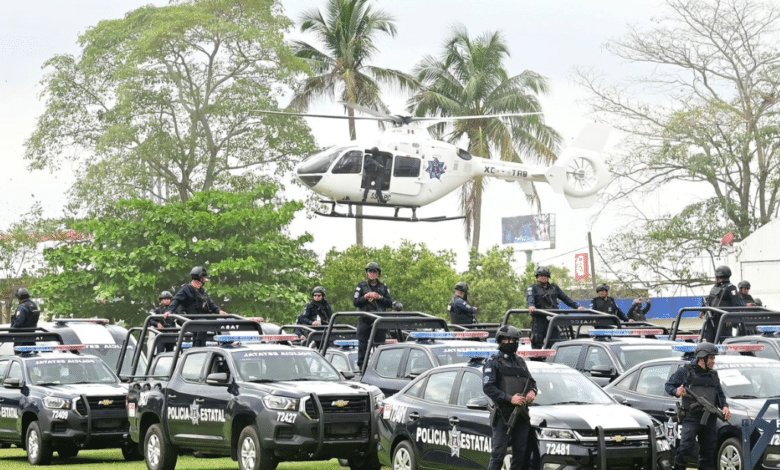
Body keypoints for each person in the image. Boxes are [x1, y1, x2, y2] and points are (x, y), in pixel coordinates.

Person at [665, 342, 731, 470]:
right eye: (711, 358)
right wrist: (676, 391)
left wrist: (725, 407)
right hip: (691, 417)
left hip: (709, 418)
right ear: (702, 358)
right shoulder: (686, 371)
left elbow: (720, 394)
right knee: (685, 448)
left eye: (714, 358)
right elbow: (669, 385)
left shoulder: (713, 374)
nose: (713, 361)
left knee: (708, 451)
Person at [483, 325, 538, 470]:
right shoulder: (493, 362)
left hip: (522, 415)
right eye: (508, 340)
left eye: (514, 340)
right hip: (503, 415)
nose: (511, 342)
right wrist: (509, 398)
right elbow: (488, 387)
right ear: (501, 340)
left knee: (521, 454)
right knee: (498, 454)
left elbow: (531, 382)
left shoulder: (520, 362)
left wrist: (532, 392)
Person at [165, 266, 228, 346]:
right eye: (204, 278)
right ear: (199, 278)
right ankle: (198, 348)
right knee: (202, 324)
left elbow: (210, 304)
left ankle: (227, 341)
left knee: (219, 321)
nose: (205, 280)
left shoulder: (202, 291)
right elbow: (176, 300)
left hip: (202, 318)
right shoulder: (186, 289)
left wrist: (219, 311)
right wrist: (169, 311)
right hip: (189, 319)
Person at [527, 266, 584, 349]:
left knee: (554, 341)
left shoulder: (554, 287)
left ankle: (552, 359)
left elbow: (565, 298)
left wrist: (577, 306)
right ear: (537, 277)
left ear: (548, 277)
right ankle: (537, 359)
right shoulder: (533, 288)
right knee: (537, 341)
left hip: (553, 318)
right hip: (539, 319)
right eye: (541, 276)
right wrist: (531, 306)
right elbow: (530, 298)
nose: (543, 277)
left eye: (545, 276)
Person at [353, 262, 393, 368]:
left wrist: (379, 297)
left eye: (374, 271)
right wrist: (365, 297)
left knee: (380, 346)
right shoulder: (361, 286)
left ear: (378, 274)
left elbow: (390, 303)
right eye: (369, 271)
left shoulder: (383, 287)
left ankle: (380, 367)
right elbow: (356, 302)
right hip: (365, 320)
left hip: (379, 321)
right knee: (363, 345)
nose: (371, 273)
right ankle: (362, 367)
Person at [700, 265, 745, 343]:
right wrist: (703, 310)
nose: (716, 278)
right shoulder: (715, 287)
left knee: (725, 343)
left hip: (724, 321)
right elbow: (710, 301)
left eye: (718, 277)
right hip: (712, 319)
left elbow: (737, 304)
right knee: (708, 343)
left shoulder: (731, 288)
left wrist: (731, 319)